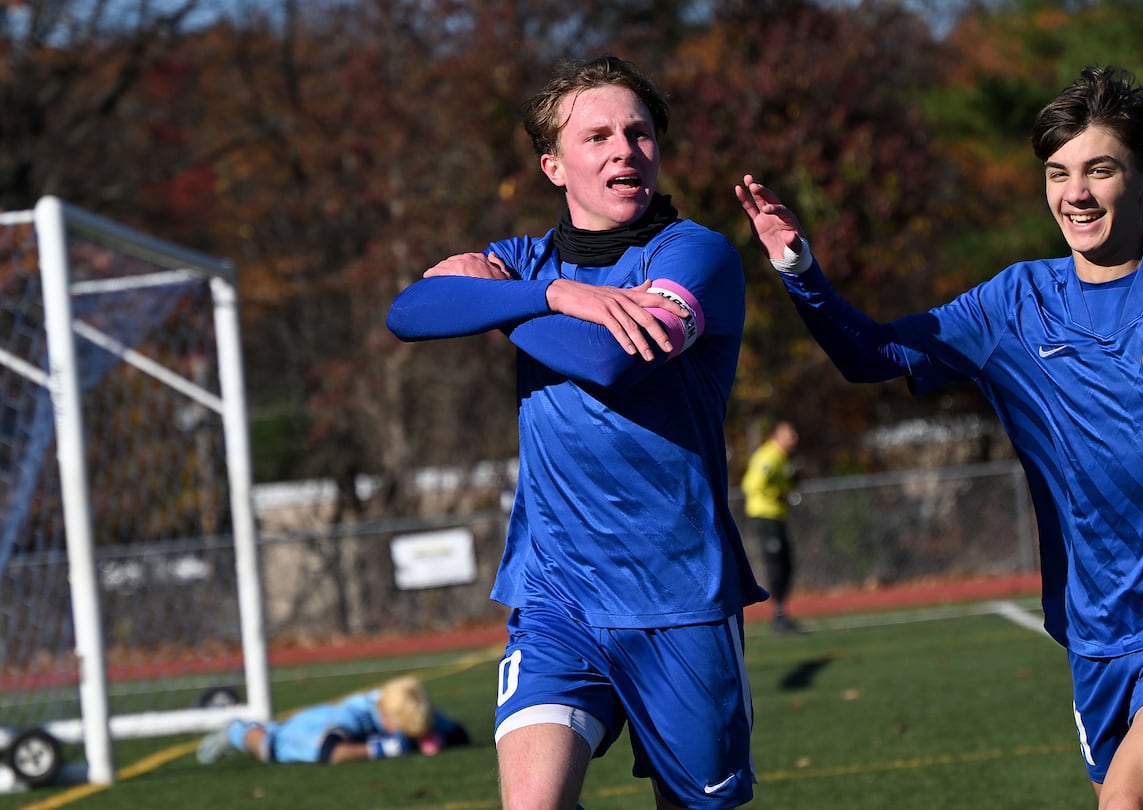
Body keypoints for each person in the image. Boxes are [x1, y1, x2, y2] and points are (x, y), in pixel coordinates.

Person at [736, 64, 1143, 809]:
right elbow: (871, 355)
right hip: (1095, 623)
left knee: (1129, 801)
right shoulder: (1012, 305)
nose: (1075, 193)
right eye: (1058, 173)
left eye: (1099, 169)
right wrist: (798, 267)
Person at [386, 55, 764, 809]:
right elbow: (409, 311)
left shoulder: (695, 255)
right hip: (556, 592)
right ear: (554, 165)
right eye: (597, 137)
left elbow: (611, 359)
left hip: (676, 595)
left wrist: (504, 303)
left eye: (639, 131)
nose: (624, 148)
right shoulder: (531, 263)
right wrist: (553, 291)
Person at [195, 675, 470, 765]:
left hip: (327, 720)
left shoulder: (412, 706)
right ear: (385, 715)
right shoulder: (356, 713)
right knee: (272, 747)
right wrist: (380, 749)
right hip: (311, 728)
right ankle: (236, 729)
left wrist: (434, 738)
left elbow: (459, 733)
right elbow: (331, 753)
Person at [741, 420, 803, 633]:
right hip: (764, 516)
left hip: (777, 516)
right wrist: (778, 494)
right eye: (790, 434)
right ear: (777, 435)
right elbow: (751, 485)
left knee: (787, 563)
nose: (794, 439)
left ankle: (782, 612)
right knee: (776, 564)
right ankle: (778, 615)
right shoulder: (768, 457)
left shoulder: (783, 459)